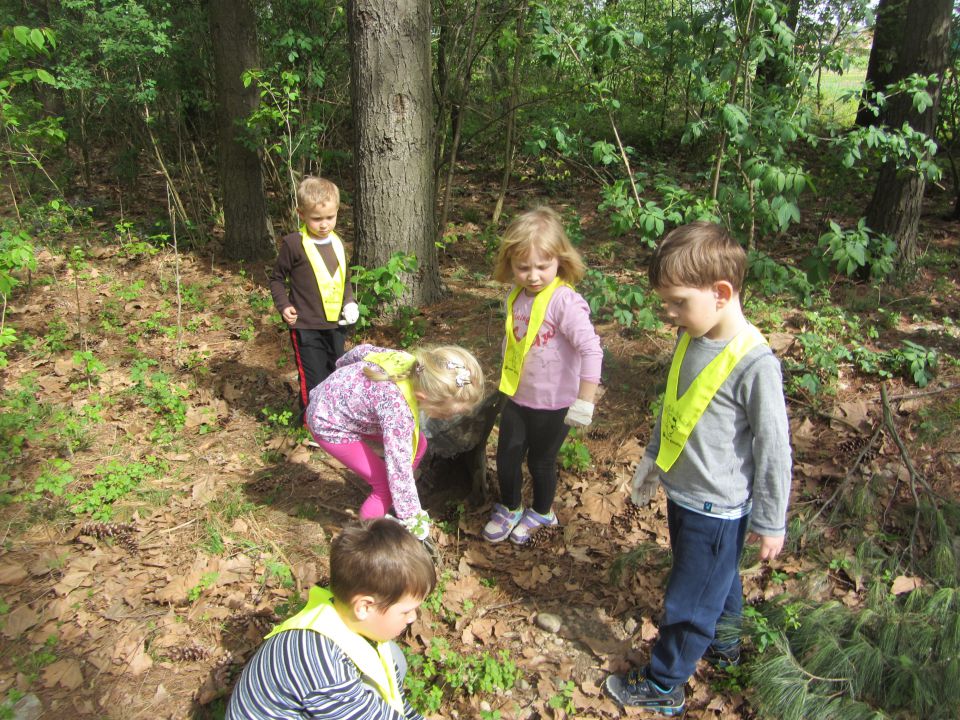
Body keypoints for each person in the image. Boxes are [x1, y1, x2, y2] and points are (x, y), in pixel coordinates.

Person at [604, 221, 792, 716]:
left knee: (689, 599)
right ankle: (726, 645)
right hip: (685, 494)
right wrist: (651, 458)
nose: (669, 314)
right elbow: (676, 408)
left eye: (677, 302)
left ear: (722, 293)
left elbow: (775, 449)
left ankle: (665, 684)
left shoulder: (755, 365)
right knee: (719, 579)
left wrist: (772, 520)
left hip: (718, 507)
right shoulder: (695, 334)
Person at [226, 518, 436, 719]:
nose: (412, 618)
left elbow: (394, 700)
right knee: (372, 680)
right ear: (364, 607)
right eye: (406, 611)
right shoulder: (322, 663)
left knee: (393, 657)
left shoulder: (342, 614)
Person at [482, 206, 603, 545]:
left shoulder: (564, 302)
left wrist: (585, 401)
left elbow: (591, 350)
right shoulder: (516, 295)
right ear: (511, 265)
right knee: (506, 455)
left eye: (542, 266)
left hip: (555, 403)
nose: (533, 275)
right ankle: (509, 506)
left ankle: (542, 510)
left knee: (541, 461)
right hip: (520, 396)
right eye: (523, 267)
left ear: (560, 261)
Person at [306, 343, 484, 538]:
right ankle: (367, 536)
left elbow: (360, 351)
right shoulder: (399, 413)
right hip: (328, 423)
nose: (448, 419)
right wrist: (412, 518)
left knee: (419, 444)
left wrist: (342, 369)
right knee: (385, 485)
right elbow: (398, 469)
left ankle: (395, 499)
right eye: (447, 413)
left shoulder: (408, 362)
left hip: (334, 398)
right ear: (422, 396)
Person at [270, 176, 358, 416]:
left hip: (336, 325)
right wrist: (284, 305)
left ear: (337, 211)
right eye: (316, 219)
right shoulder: (294, 244)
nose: (324, 224)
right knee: (314, 378)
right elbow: (276, 279)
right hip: (306, 326)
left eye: (330, 217)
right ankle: (311, 426)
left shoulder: (338, 243)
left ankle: (333, 421)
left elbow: (344, 279)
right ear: (301, 213)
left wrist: (349, 302)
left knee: (335, 373)